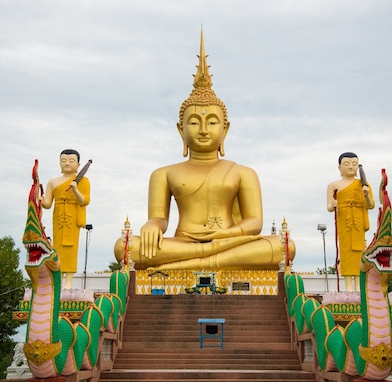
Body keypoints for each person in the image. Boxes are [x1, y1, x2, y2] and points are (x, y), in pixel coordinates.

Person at [114, 32, 292, 271]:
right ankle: (206, 260)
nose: (204, 129)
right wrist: (153, 225)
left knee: (284, 246)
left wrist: (226, 233)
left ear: (225, 129)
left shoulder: (243, 173)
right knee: (124, 247)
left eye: (213, 122)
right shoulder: (163, 174)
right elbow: (160, 218)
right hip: (182, 243)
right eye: (195, 122)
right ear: (181, 130)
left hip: (229, 241)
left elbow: (255, 222)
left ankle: (197, 262)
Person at [42, 149, 91, 288]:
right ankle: (57, 279)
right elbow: (47, 203)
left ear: (78, 165)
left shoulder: (83, 181)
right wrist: (39, 199)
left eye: (71, 161)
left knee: (71, 248)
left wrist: (75, 189)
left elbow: (84, 201)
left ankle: (68, 282)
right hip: (58, 215)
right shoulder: (53, 182)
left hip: (72, 216)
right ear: (59, 163)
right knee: (57, 247)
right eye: (64, 161)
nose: (67, 164)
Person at [327, 152, 374, 292]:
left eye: (354, 164)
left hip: (358, 221)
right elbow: (329, 206)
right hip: (345, 221)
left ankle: (359, 286)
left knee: (359, 252)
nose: (350, 167)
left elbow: (370, 205)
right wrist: (333, 204)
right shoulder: (334, 185)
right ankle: (348, 287)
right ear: (339, 168)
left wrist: (365, 195)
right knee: (346, 253)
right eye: (346, 164)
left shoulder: (363, 184)